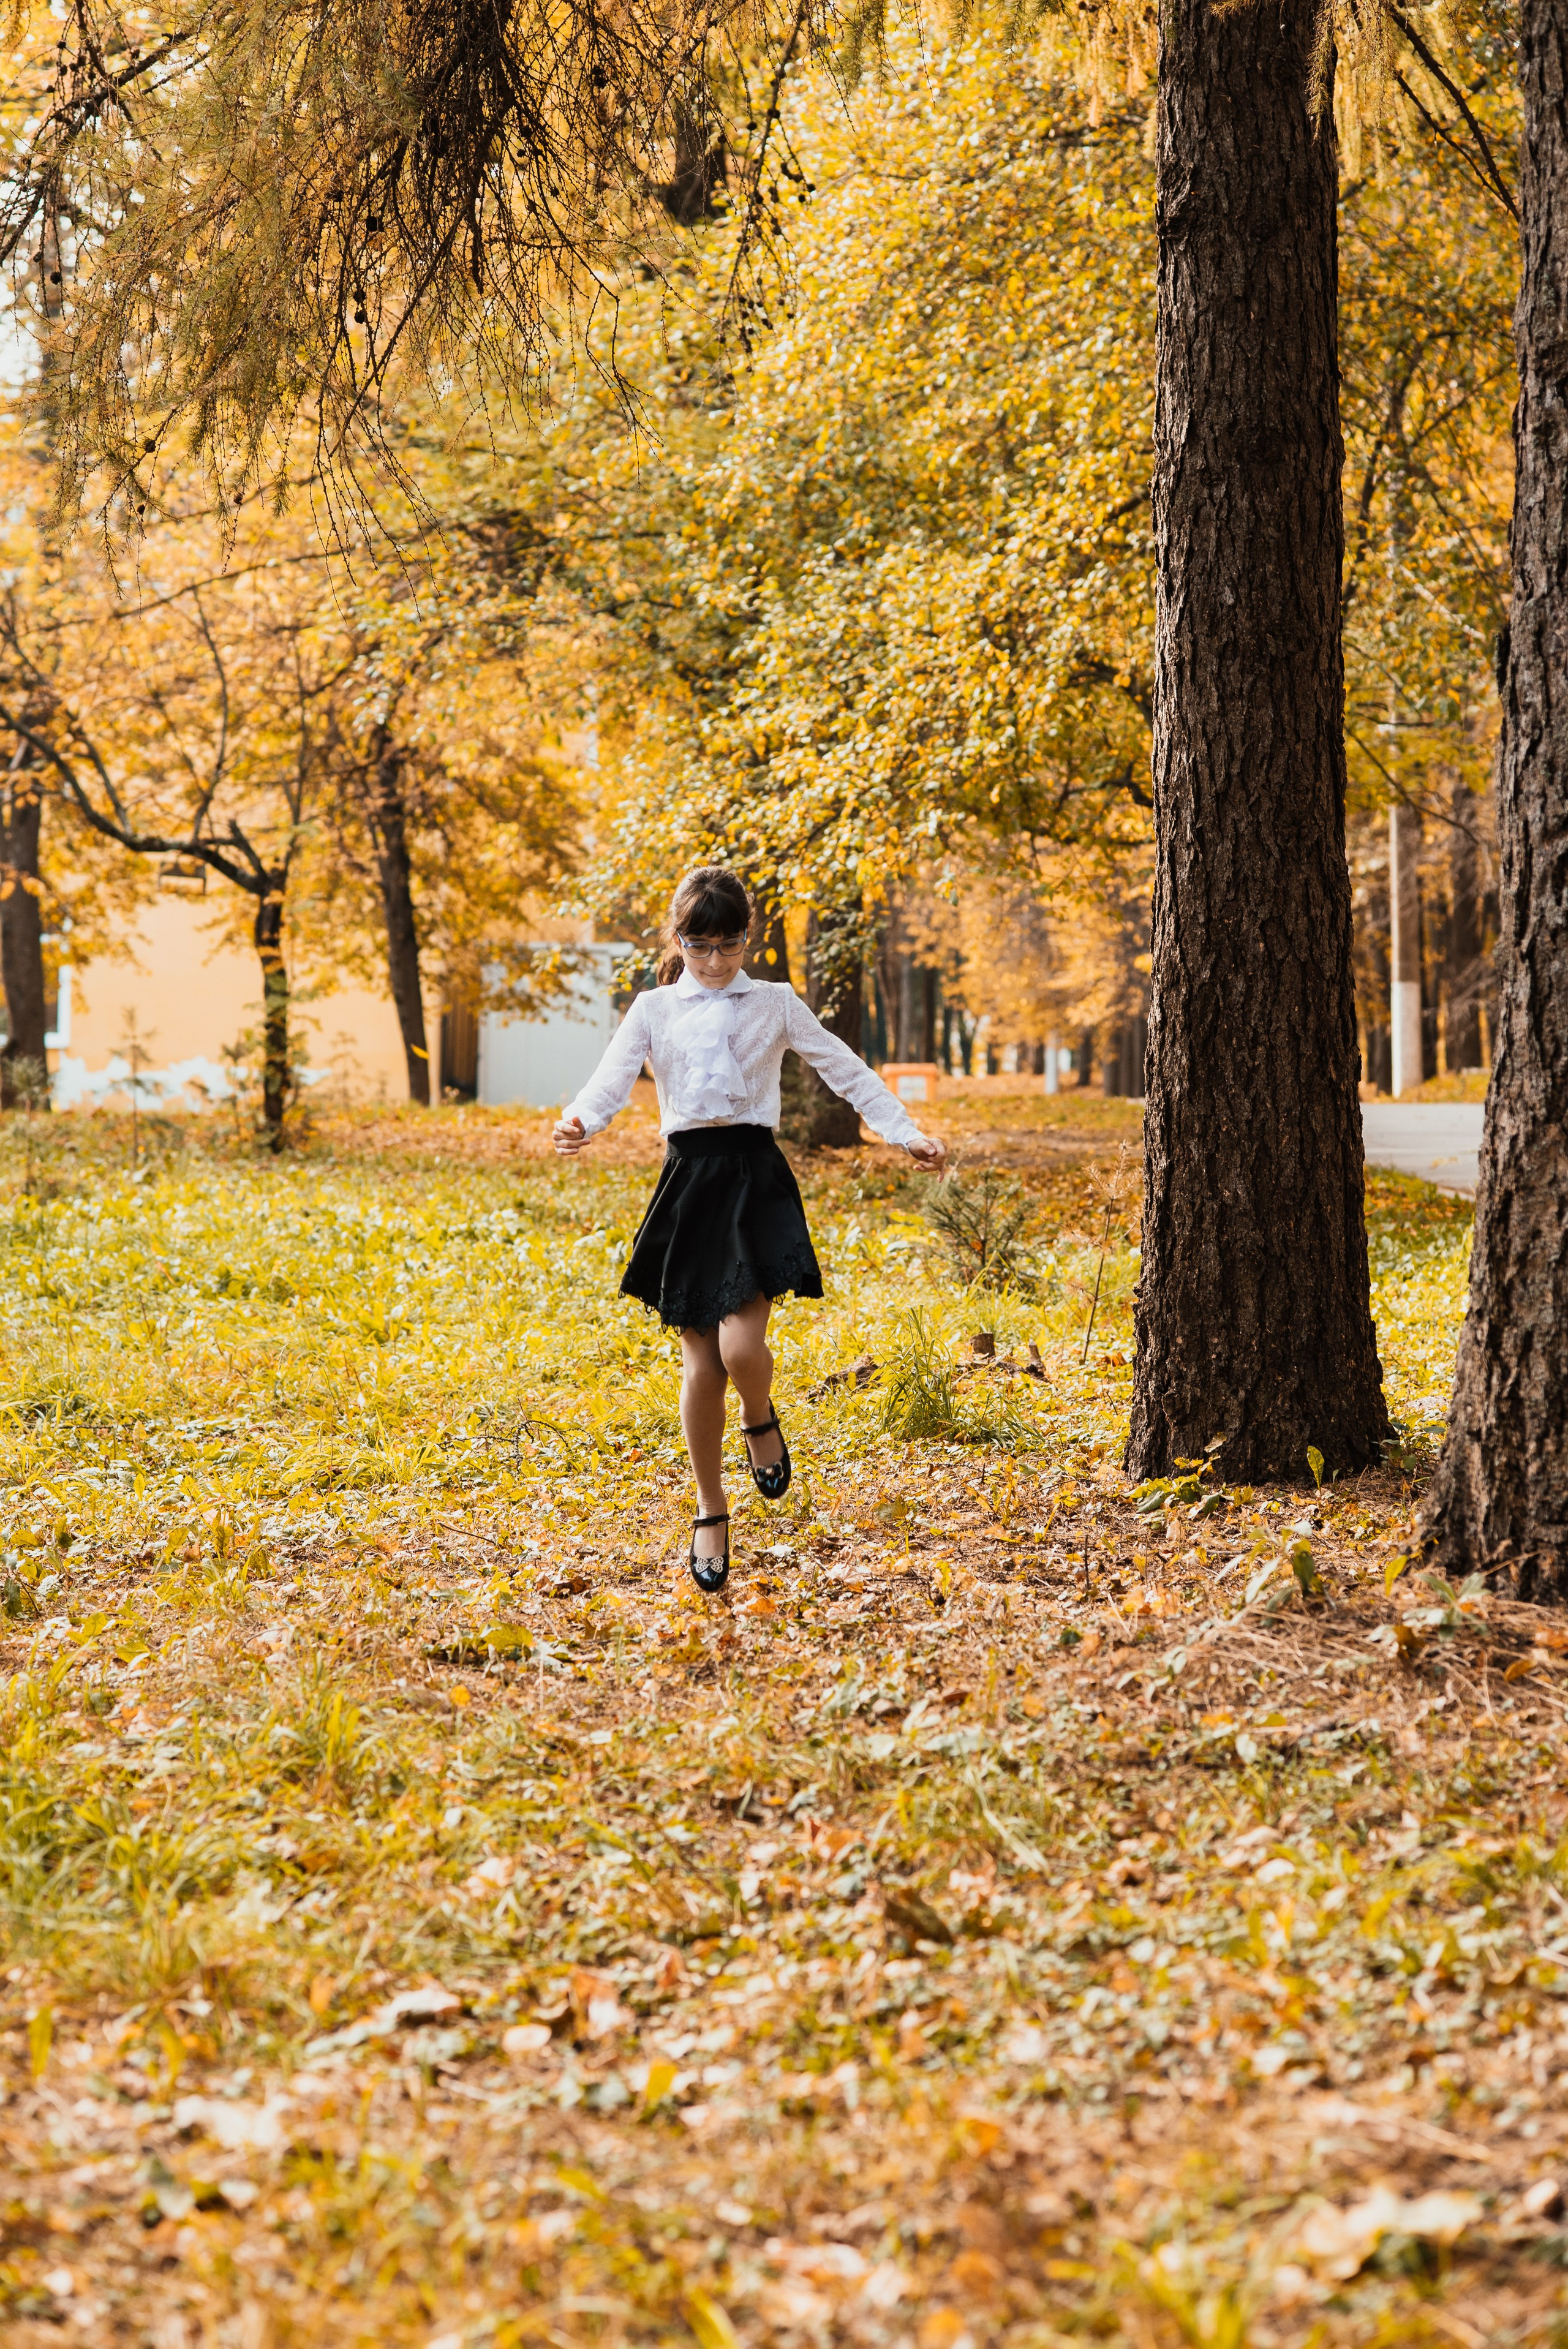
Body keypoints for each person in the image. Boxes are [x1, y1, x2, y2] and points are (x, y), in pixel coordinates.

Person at [554, 865, 946, 1592]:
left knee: (741, 1347)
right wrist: (581, 1121)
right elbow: (610, 1079)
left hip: (753, 1183)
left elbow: (844, 1069)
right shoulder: (652, 1009)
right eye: (699, 947)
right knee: (701, 1367)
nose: (713, 962)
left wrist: (905, 1133)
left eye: (729, 946)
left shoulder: (775, 1002)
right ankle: (710, 1507)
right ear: (679, 939)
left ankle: (759, 1419)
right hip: (688, 1188)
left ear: (748, 939)